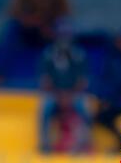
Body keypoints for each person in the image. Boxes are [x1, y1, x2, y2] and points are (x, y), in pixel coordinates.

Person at [38, 21, 91, 154]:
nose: (64, 39)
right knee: (45, 108)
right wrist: (59, 96)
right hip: (55, 94)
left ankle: (84, 143)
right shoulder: (48, 54)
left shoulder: (78, 55)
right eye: (61, 35)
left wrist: (69, 96)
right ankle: (45, 144)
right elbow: (45, 82)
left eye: (66, 35)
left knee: (84, 109)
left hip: (73, 94)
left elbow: (82, 82)